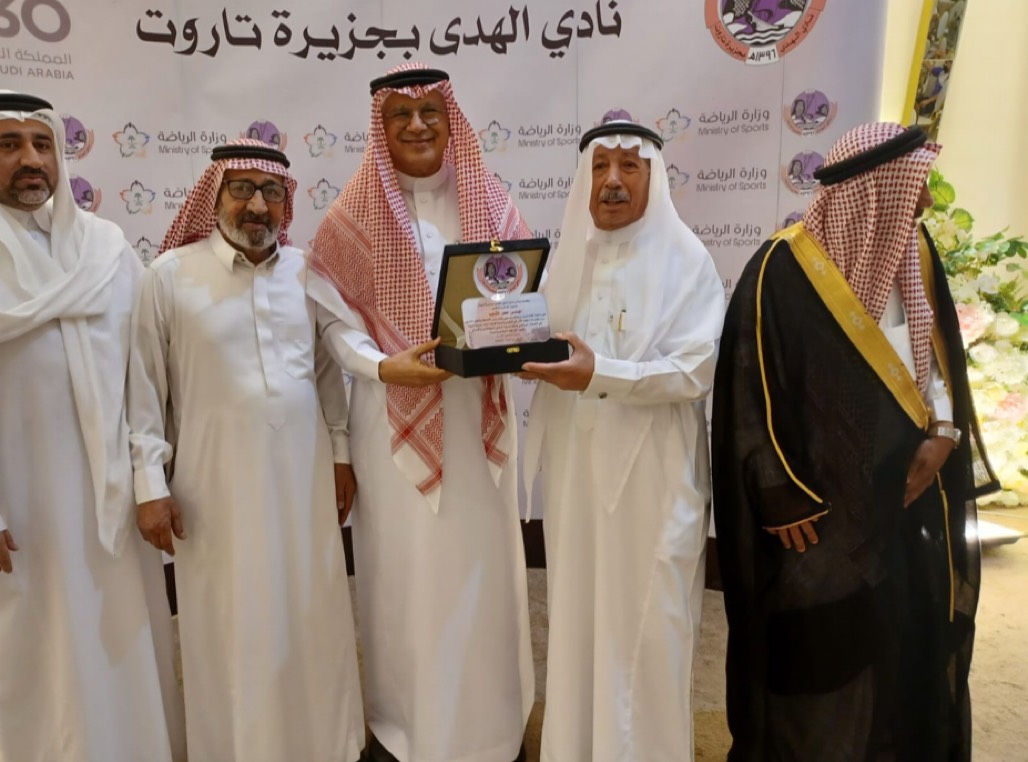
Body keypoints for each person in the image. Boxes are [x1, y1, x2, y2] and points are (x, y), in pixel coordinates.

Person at [0, 91, 185, 761]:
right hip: (14, 513)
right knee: (35, 661)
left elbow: (143, 375)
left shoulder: (104, 248)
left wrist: (149, 481)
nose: (31, 160)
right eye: (9, 144)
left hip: (115, 507)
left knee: (127, 650)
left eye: (42, 144)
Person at [712, 122, 999, 761]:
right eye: (915, 183)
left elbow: (938, 360)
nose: (925, 200)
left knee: (905, 640)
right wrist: (781, 492)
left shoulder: (916, 251)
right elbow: (749, 391)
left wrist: (945, 432)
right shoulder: (781, 270)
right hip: (820, 514)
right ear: (874, 188)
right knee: (823, 662)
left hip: (907, 498)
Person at [306, 63, 534, 762]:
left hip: (477, 419)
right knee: (407, 577)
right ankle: (409, 727)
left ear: (448, 118)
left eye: (430, 111)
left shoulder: (487, 199)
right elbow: (333, 325)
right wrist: (383, 367)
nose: (417, 125)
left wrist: (516, 338)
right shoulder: (352, 214)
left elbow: (522, 298)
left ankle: (492, 726)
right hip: (392, 422)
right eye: (400, 115)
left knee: (484, 572)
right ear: (381, 126)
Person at [128, 140, 365, 762]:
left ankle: (327, 746)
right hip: (213, 489)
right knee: (230, 622)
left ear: (287, 201)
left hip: (303, 480)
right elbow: (145, 389)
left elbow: (325, 373)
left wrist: (341, 454)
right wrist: (150, 485)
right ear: (215, 195)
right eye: (242, 189)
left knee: (313, 609)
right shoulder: (169, 275)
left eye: (272, 192)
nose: (257, 205)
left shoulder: (308, 272)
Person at [522, 117, 725, 761]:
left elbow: (695, 370)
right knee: (578, 618)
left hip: (653, 484)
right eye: (600, 167)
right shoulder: (567, 262)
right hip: (576, 478)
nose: (612, 181)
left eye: (628, 167)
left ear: (651, 177)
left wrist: (601, 374)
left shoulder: (686, 260)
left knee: (648, 628)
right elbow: (535, 341)